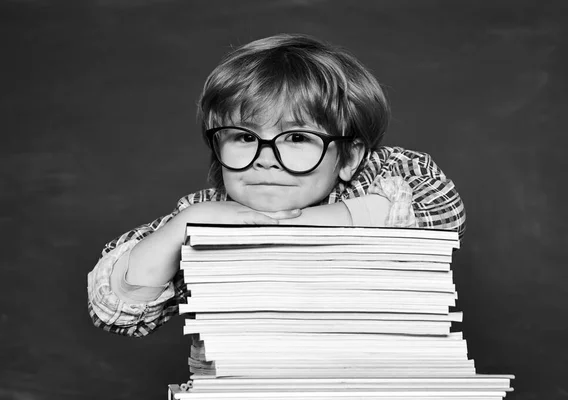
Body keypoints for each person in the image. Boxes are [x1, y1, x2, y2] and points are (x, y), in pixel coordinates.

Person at [87, 33, 466, 338]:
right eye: (243, 137)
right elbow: (115, 310)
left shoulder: (378, 177)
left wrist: (292, 223)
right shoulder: (210, 211)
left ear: (349, 157)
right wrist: (185, 225)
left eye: (297, 138)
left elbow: (443, 209)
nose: (265, 157)